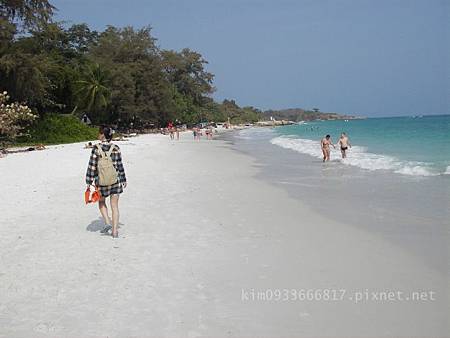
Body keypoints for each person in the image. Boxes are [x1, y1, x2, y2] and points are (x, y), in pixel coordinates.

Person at [86, 127, 127, 238]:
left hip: (101, 182)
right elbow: (119, 165)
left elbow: (92, 166)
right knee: (115, 206)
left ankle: (108, 223)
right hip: (116, 181)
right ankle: (115, 232)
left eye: (99, 133)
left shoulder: (96, 148)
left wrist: (89, 181)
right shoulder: (116, 148)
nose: (98, 135)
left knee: (102, 203)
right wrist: (123, 179)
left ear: (102, 135)